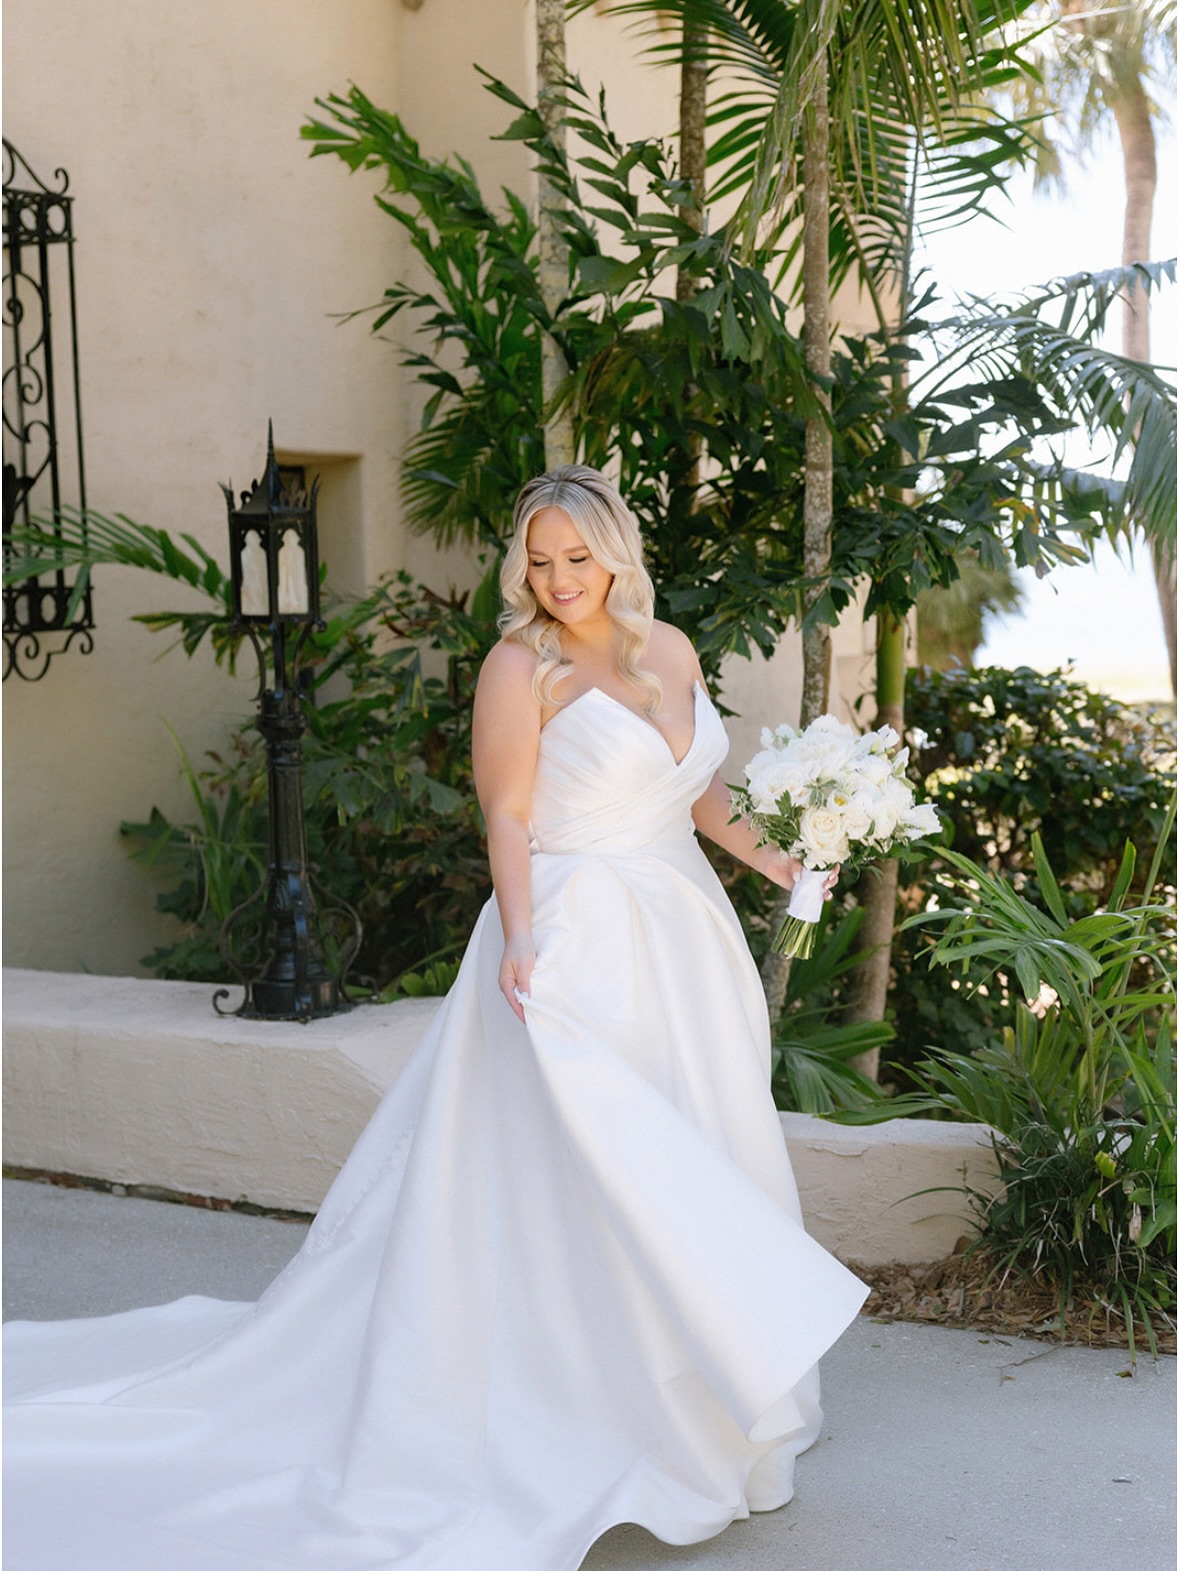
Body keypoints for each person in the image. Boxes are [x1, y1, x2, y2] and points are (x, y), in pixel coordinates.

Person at [3, 465, 867, 1571]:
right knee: (600, 1172)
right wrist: (521, 938)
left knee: (695, 1149)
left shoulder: (672, 650)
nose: (558, 580)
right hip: (575, 936)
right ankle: (592, 1406)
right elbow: (506, 813)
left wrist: (782, 860)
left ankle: (707, 1393)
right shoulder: (519, 666)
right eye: (539, 561)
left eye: (577, 558)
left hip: (682, 941)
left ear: (616, 554)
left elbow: (696, 791)